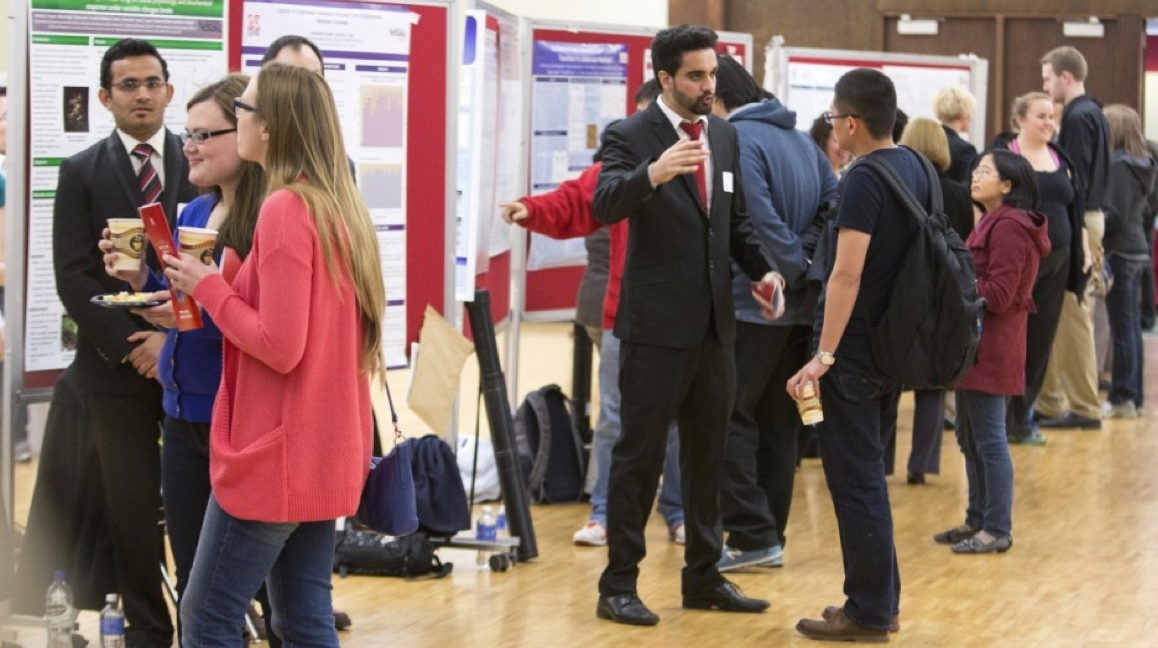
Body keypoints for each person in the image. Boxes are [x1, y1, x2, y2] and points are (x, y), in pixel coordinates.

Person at [165, 63, 384, 647]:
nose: (238, 116)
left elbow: (280, 347)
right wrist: (223, 279)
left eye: (246, 108)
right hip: (321, 445)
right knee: (302, 617)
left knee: (207, 617)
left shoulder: (285, 208)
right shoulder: (335, 203)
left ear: (271, 126)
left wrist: (207, 287)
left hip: (277, 452)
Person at [591, 24, 781, 626]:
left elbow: (736, 221)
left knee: (708, 456)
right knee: (638, 459)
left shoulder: (724, 135)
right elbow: (604, 204)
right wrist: (655, 171)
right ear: (665, 78)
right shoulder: (629, 134)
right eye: (695, 75)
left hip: (715, 328)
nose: (707, 85)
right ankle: (618, 584)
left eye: (712, 75)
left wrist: (764, 271)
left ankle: (704, 576)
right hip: (654, 328)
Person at [99, 74, 266, 645]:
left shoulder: (271, 221)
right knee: (197, 581)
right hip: (183, 414)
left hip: (239, 418)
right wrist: (136, 280)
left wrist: (193, 315)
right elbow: (180, 303)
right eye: (187, 133)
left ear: (247, 132)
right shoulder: (194, 209)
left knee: (242, 593)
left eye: (204, 134)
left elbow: (269, 331)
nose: (188, 145)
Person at [51, 38, 197, 648]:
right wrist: (135, 344)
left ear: (168, 90)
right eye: (128, 85)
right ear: (106, 97)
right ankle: (145, 625)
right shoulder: (81, 171)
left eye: (152, 82)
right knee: (131, 503)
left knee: (199, 499)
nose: (142, 94)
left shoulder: (204, 163)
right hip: (114, 370)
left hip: (193, 357)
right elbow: (73, 275)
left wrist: (169, 337)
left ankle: (208, 617)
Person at [500, 81, 688, 549]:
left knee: (677, 422)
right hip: (623, 318)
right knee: (614, 418)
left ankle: (679, 511)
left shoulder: (696, 166)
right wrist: (530, 209)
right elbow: (572, 202)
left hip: (682, 318)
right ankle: (605, 510)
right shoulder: (616, 170)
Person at [787, 68, 924, 642]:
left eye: (833, 117)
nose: (832, 126)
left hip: (855, 352)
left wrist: (824, 354)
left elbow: (846, 272)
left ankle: (868, 609)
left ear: (850, 121)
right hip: (892, 344)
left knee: (856, 480)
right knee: (867, 476)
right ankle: (881, 602)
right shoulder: (915, 166)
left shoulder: (864, 179)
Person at [709, 53, 836, 571]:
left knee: (725, 415)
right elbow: (831, 208)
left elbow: (755, 220)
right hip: (800, 304)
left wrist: (784, 267)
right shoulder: (803, 141)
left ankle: (753, 532)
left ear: (718, 95)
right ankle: (767, 535)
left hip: (754, 301)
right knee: (778, 422)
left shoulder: (736, 140)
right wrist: (804, 263)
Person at [936, 149, 1049, 555]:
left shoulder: (1011, 227)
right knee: (969, 436)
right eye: (976, 169)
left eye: (986, 171)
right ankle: (976, 519)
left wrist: (952, 288)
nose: (975, 176)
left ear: (1008, 185)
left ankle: (997, 527)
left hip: (993, 344)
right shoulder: (993, 220)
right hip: (977, 343)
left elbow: (999, 295)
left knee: (988, 439)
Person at [992, 92, 1086, 445]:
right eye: (1041, 116)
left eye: (1052, 116)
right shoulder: (1004, 157)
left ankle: (1022, 418)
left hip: (1058, 258)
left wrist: (1084, 249)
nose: (1049, 122)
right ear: (1020, 119)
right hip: (1017, 262)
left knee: (1040, 341)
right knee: (1011, 338)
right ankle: (1001, 419)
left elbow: (1076, 205)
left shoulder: (1061, 157)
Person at [896, 117, 976, 485]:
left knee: (888, 378)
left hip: (900, 290)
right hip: (943, 294)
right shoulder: (961, 193)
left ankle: (880, 461)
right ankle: (922, 463)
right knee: (932, 382)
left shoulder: (897, 185)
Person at [1035, 46, 1109, 431]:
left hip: (1082, 220)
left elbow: (1073, 182)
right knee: (1069, 312)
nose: (1045, 87)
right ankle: (1058, 400)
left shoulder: (1079, 118)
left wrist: (1076, 233)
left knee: (1073, 312)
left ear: (1065, 77)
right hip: (1090, 219)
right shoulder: (1094, 111)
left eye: (1048, 79)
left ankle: (1082, 405)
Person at [1100, 104, 1157, 419]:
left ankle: (1122, 397)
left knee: (1122, 327)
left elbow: (1116, 215)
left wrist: (1092, 223)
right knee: (1131, 326)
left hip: (1120, 251)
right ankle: (1133, 397)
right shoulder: (1144, 163)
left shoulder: (1120, 165)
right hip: (1136, 249)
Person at [933, 86, 980, 184]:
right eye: (971, 112)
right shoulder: (965, 150)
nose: (971, 117)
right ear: (962, 113)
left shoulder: (929, 141)